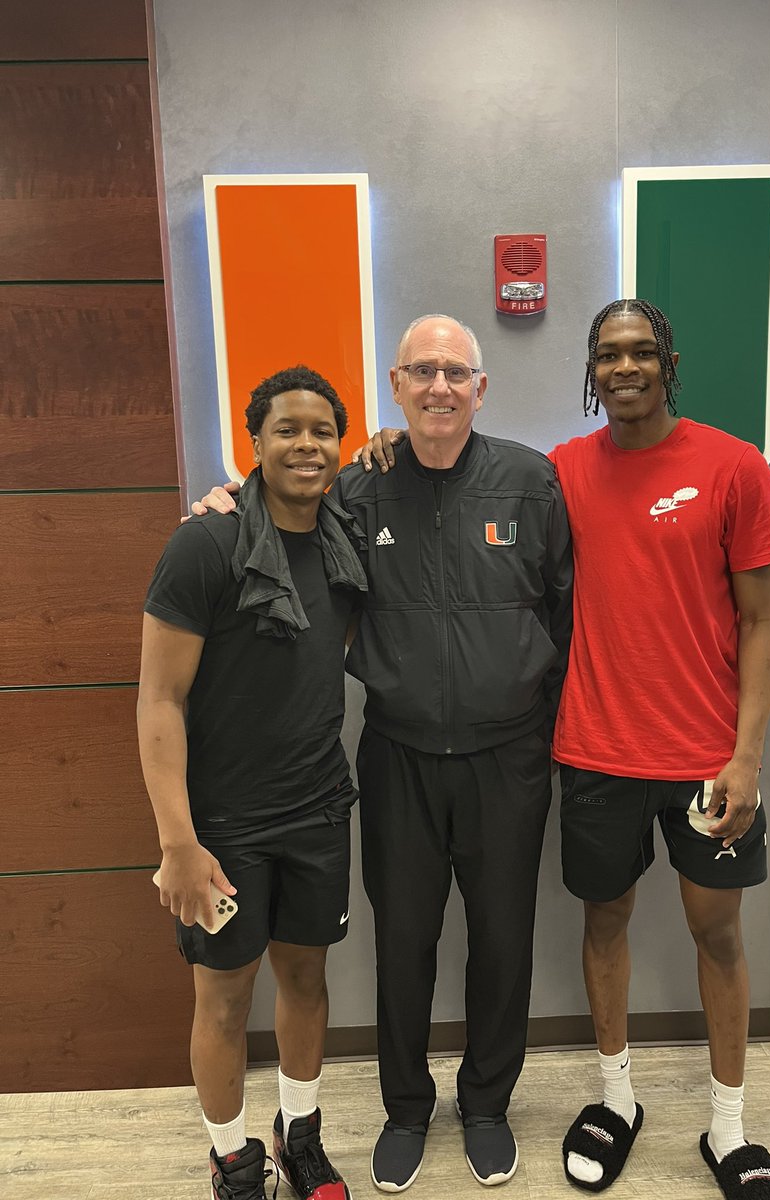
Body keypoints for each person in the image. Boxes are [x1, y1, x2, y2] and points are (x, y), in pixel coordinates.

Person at [358, 299, 770, 1200]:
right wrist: (251, 488)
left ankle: (717, 1128)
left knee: (695, 934)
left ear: (669, 361)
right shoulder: (525, 475)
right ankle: (553, 1104)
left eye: (640, 352)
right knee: (541, 932)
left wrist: (749, 755)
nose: (623, 367)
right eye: (607, 355)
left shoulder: (710, 468)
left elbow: (748, 620)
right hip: (570, 755)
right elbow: (314, 496)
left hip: (681, 756)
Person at [196, 314, 574, 1192]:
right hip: (399, 755)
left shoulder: (531, 483)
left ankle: (485, 1105)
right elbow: (277, 511)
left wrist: (522, 701)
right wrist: (225, 499)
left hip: (507, 759)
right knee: (403, 941)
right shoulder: (358, 490)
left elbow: (563, 608)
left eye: (457, 372)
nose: (440, 387)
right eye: (422, 372)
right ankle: (407, 1109)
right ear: (395, 388)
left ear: (482, 389)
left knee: (503, 938)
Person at [137, 365, 366, 1200]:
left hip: (317, 813)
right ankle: (233, 1159)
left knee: (307, 981)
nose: (306, 445)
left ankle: (298, 1136)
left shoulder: (343, 532)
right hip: (223, 829)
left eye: (322, 432)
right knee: (225, 1001)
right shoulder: (206, 542)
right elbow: (158, 700)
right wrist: (179, 842)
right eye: (286, 430)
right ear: (255, 443)